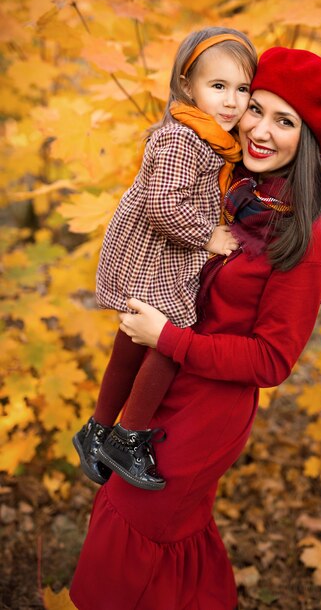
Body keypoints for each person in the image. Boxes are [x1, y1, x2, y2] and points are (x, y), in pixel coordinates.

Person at [70, 46, 321, 610]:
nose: (261, 130)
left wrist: (167, 337)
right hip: (156, 388)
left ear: (310, 140)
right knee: (144, 530)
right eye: (257, 108)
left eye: (285, 121)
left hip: (204, 414)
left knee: (143, 534)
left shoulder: (308, 236)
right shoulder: (236, 190)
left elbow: (270, 361)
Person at [72, 27, 257, 490]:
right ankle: (127, 436)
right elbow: (162, 205)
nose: (232, 101)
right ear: (187, 86)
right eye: (218, 86)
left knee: (134, 340)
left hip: (162, 252)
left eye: (242, 88)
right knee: (171, 338)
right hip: (156, 253)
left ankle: (95, 430)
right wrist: (208, 237)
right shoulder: (184, 140)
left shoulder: (210, 138)